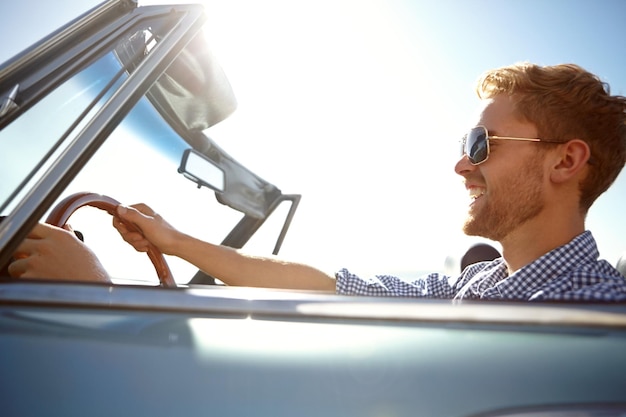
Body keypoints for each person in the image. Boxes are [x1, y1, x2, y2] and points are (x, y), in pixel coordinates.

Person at [9, 62, 626, 301]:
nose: (462, 165)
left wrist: (96, 298)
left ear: (565, 162)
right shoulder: (476, 287)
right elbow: (325, 284)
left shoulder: (602, 315)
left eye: (480, 145)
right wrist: (171, 240)